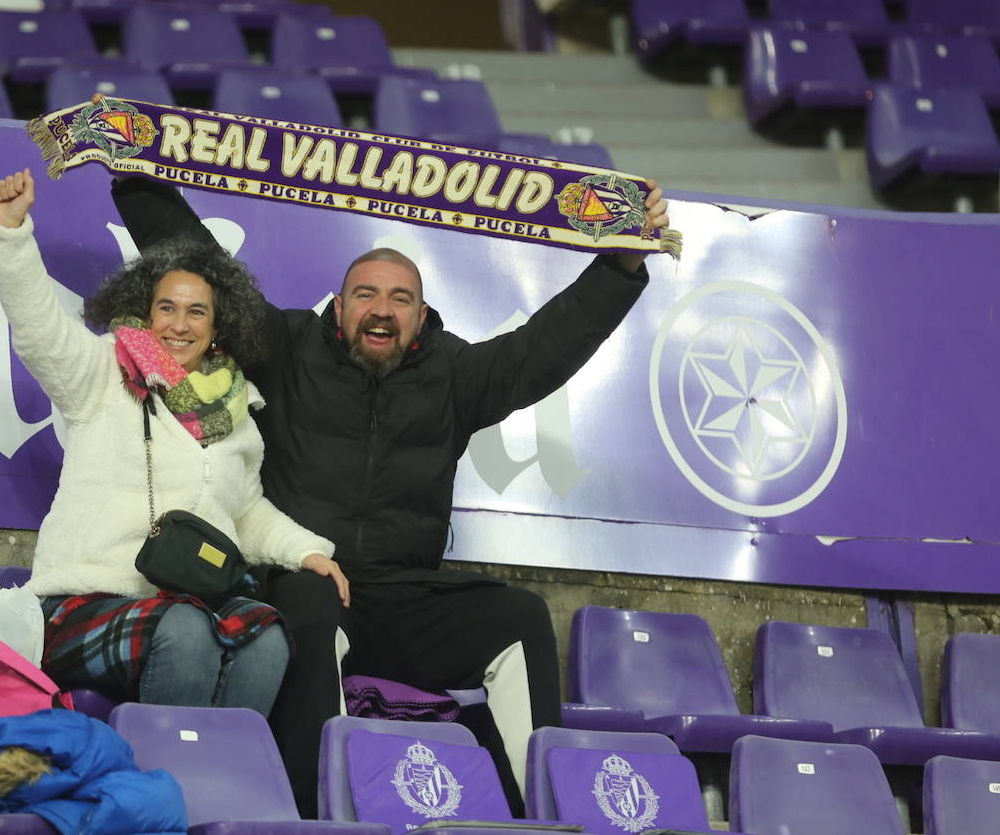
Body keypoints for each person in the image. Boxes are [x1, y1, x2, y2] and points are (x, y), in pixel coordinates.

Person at [110, 171, 668, 815]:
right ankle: (318, 818)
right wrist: (137, 170)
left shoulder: (455, 376)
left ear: (422, 315)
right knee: (313, 608)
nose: (382, 308)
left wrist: (623, 263)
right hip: (307, 583)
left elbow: (545, 348)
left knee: (520, 617)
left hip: (406, 597)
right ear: (339, 309)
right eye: (366, 295)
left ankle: (539, 816)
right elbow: (205, 264)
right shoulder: (288, 347)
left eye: (401, 299)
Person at [0, 169, 348, 714]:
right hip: (85, 598)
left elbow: (245, 512)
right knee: (186, 631)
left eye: (196, 310)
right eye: (167, 308)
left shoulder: (238, 406)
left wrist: (310, 552)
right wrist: (10, 234)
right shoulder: (102, 372)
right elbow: (39, 329)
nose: (180, 324)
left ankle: (225, 785)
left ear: (219, 324)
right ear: (146, 311)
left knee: (266, 635)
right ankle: (166, 786)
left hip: (188, 601)